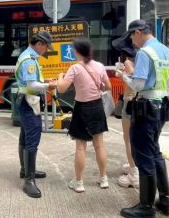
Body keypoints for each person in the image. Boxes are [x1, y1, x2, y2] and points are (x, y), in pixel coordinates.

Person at [115, 20, 169, 218]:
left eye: (132, 36)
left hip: (146, 109)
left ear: (139, 32)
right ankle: (165, 200)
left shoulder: (144, 53)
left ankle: (146, 207)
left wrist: (124, 76)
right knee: (155, 153)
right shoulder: (167, 51)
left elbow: (139, 85)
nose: (133, 41)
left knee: (144, 155)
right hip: (161, 106)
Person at [57, 37, 112, 193]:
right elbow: (107, 86)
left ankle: (79, 183)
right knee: (99, 144)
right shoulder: (100, 66)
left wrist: (61, 76)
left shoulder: (74, 68)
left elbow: (61, 89)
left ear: (77, 51)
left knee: (81, 147)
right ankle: (103, 179)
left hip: (82, 109)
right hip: (97, 107)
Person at [15, 30, 57, 198]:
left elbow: (30, 81)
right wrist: (48, 86)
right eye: (46, 47)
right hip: (29, 102)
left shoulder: (27, 55)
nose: (46, 50)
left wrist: (45, 82)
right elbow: (31, 84)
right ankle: (29, 181)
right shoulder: (30, 60)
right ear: (39, 44)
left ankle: (25, 170)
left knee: (25, 136)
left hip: (25, 101)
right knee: (32, 137)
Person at [112, 38, 139, 189]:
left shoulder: (128, 62)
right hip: (139, 102)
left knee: (128, 138)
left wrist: (123, 74)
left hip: (130, 101)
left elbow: (132, 78)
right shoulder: (141, 59)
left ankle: (134, 173)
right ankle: (133, 165)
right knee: (134, 137)